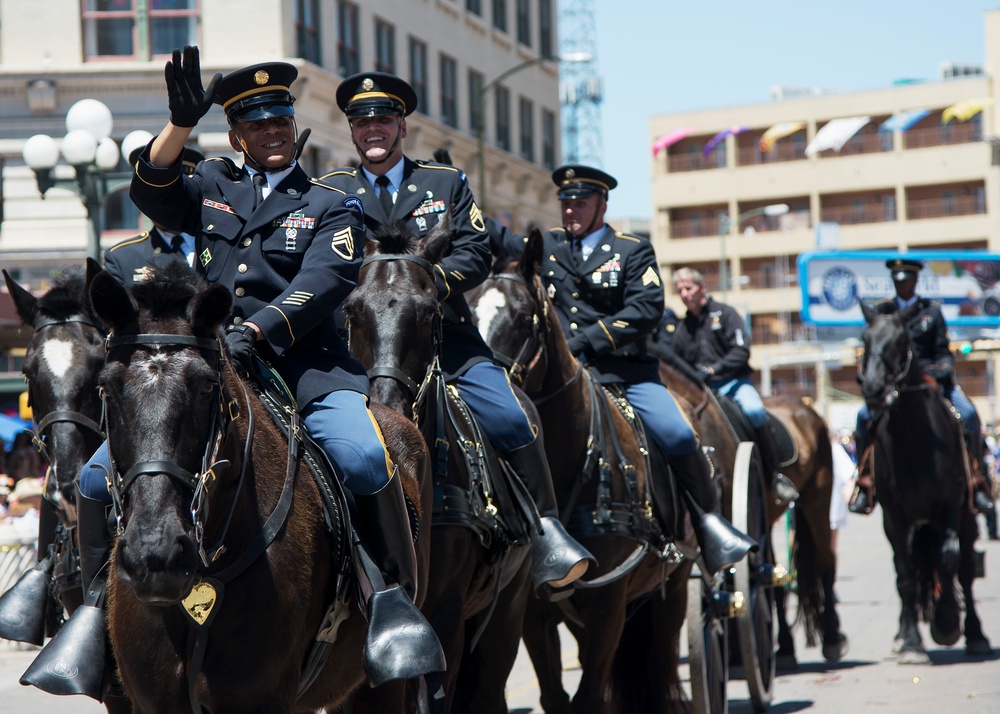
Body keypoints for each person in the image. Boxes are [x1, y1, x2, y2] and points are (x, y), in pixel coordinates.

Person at [33, 47, 442, 696]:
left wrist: (258, 330)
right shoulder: (214, 187)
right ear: (237, 136)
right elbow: (154, 193)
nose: (272, 133)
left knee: (367, 457)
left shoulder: (331, 203)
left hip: (306, 371)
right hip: (214, 371)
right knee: (90, 478)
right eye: (257, 125)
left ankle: (392, 604)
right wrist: (177, 125)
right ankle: (91, 617)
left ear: (294, 128)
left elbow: (326, 280)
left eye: (281, 122)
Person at [319, 71, 594, 596]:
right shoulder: (332, 190)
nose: (373, 129)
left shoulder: (444, 184)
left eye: (383, 119)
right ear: (352, 132)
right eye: (362, 122)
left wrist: (426, 285)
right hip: (360, 343)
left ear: (402, 126)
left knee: (513, 414)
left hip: (444, 334)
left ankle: (546, 532)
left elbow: (475, 251)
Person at [539, 164, 756, 576]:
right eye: (566, 204)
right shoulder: (549, 246)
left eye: (580, 203)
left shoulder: (632, 249)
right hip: (565, 378)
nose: (570, 211)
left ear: (602, 205)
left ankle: (709, 523)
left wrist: (584, 342)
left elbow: (644, 309)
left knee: (676, 432)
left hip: (625, 374)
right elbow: (495, 242)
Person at [851, 257, 994, 515]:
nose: (900, 285)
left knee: (969, 415)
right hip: (893, 386)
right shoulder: (882, 311)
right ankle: (865, 482)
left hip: (931, 382)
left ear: (915, 280)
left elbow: (942, 353)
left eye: (905, 280)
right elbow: (874, 351)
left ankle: (976, 479)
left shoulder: (932, 312)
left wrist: (935, 374)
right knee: (863, 418)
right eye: (897, 281)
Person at [670, 267, 800, 507]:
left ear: (702, 288)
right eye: (680, 290)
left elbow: (741, 351)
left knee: (754, 411)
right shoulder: (681, 328)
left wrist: (712, 370)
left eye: (688, 288)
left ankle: (775, 476)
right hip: (701, 391)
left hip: (733, 384)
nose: (684, 294)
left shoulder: (726, 314)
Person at [102, 145, 205, 284]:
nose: (162, 203)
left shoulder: (217, 246)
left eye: (173, 193)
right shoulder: (122, 258)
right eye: (154, 195)